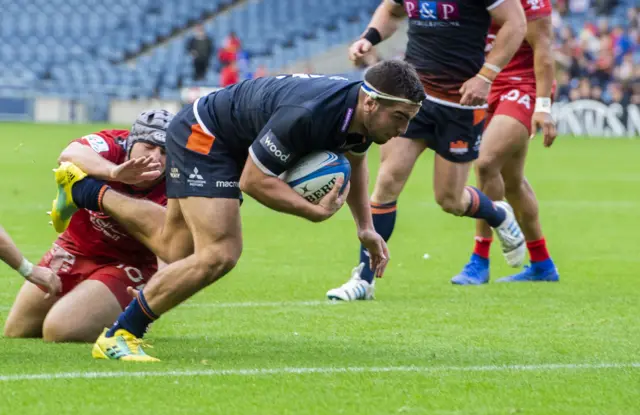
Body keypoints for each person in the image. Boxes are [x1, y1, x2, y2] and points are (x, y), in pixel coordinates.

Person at [49, 60, 426, 361]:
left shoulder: (358, 115)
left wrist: (365, 227)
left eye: (409, 119)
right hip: (205, 135)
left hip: (226, 137)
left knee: (176, 250)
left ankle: (84, 190)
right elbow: (254, 181)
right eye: (400, 118)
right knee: (220, 254)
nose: (404, 128)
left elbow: (357, 161)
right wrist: (311, 212)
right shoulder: (309, 114)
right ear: (371, 103)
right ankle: (120, 335)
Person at [326, 0, 528, 301]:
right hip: (412, 98)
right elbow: (392, 10)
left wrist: (486, 76)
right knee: (387, 182)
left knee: (450, 199)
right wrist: (368, 38)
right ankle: (364, 281)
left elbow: (516, 24)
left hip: (461, 102)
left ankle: (497, 212)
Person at [4, 110, 172, 342]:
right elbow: (69, 154)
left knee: (59, 330)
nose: (156, 157)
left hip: (129, 264)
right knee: (16, 331)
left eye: (164, 152)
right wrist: (113, 172)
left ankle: (116, 313)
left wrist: (153, 295)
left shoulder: (175, 183)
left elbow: (169, 245)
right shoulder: (113, 145)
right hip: (76, 247)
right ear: (131, 142)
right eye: (148, 147)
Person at [452, 0, 560, 284]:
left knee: (486, 163)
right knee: (511, 181)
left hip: (522, 85)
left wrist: (543, 106)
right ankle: (542, 263)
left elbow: (543, 49)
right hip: (484, 84)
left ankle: (480, 258)